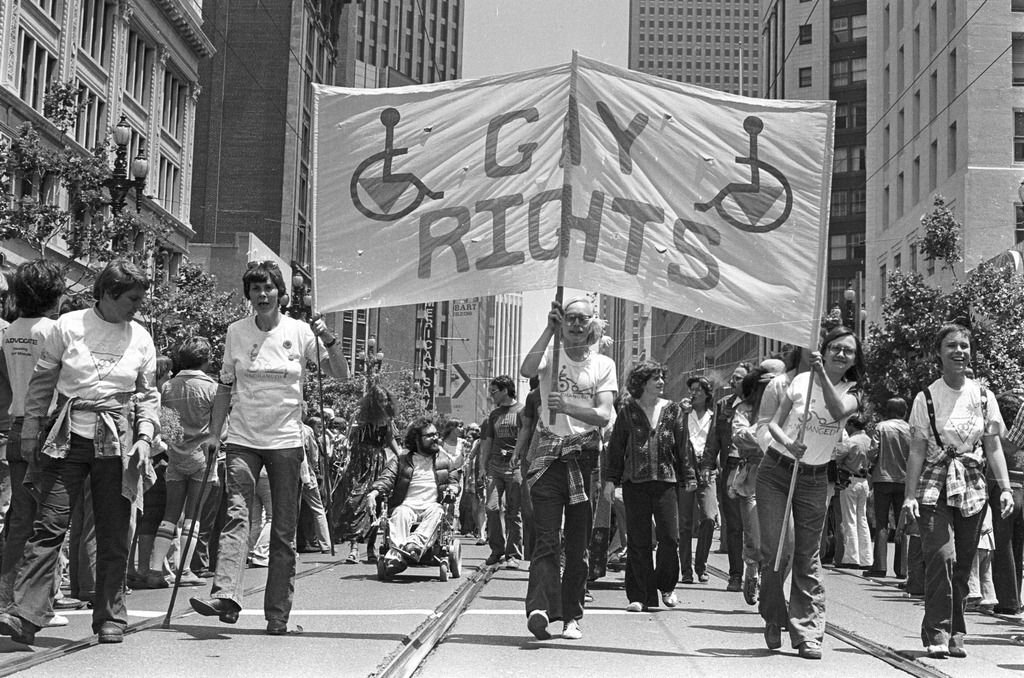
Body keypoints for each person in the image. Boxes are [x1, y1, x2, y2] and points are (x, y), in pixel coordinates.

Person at [0, 259, 158, 645]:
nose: (138, 306)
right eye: (133, 298)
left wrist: (144, 436)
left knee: (113, 529)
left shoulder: (141, 337)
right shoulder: (67, 327)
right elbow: (41, 385)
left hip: (117, 444)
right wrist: (32, 434)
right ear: (108, 293)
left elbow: (147, 395)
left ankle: (111, 617)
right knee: (49, 525)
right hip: (65, 440)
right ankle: (25, 614)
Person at [189, 260, 348, 636]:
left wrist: (329, 340)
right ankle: (226, 595)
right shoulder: (235, 332)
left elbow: (340, 374)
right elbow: (226, 385)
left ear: (281, 295)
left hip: (286, 442)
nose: (261, 295)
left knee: (283, 530)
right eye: (255, 290)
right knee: (237, 515)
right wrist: (215, 433)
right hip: (243, 439)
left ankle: (277, 613)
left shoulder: (301, 331)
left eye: (268, 289)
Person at [902, 323, 1014, 658]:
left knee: (964, 563)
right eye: (952, 345)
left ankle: (955, 631)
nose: (959, 352)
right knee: (941, 557)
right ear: (938, 353)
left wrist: (1005, 489)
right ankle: (937, 632)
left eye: (964, 346)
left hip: (973, 485)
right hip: (934, 486)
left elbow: (993, 446)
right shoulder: (926, 397)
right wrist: (909, 495)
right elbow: (917, 451)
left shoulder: (983, 395)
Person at [759, 326, 863, 660]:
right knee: (776, 550)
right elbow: (774, 423)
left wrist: (821, 372)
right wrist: (789, 441)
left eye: (848, 350)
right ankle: (774, 616)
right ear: (823, 349)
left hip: (816, 479)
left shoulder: (855, 390)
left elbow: (836, 412)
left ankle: (807, 632)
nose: (840, 354)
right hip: (776, 471)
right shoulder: (801, 381)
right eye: (835, 347)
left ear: (854, 360)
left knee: (808, 554)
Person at [520, 296, 617, 641]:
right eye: (570, 319)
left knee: (578, 545)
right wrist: (548, 329)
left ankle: (571, 615)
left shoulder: (603, 364)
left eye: (582, 319)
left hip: (584, 461)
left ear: (592, 324)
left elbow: (604, 415)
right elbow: (526, 371)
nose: (576, 324)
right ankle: (539, 608)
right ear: (562, 324)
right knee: (546, 539)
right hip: (548, 460)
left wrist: (570, 406)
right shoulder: (551, 355)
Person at [0, 261, 66, 618]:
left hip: (16, 421)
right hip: (48, 427)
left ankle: (6, 598)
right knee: (50, 520)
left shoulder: (9, 331)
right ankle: (35, 602)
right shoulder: (55, 331)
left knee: (20, 519)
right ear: (53, 295)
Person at [604, 360, 694, 612]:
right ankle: (640, 595)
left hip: (666, 482)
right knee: (638, 541)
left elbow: (682, 445)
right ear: (642, 383)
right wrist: (611, 481)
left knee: (669, 538)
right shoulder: (628, 411)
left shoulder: (673, 410)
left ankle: (666, 586)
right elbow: (616, 448)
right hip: (635, 483)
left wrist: (688, 477)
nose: (661, 382)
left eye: (662, 377)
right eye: (656, 378)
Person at [144, 338, 220, 588]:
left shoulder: (167, 388)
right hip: (202, 458)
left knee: (170, 514)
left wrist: (177, 447)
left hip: (175, 456)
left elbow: (168, 427)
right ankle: (183, 570)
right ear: (206, 360)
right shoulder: (213, 388)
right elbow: (221, 431)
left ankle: (155, 569)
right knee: (193, 517)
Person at [364, 416, 460, 576]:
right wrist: (373, 493)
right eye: (429, 436)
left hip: (432, 507)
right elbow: (386, 478)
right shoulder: (401, 460)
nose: (435, 438)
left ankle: (412, 546)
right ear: (416, 439)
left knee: (438, 511)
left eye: (436, 434)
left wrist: (452, 489)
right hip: (407, 506)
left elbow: (454, 481)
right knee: (399, 512)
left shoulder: (445, 461)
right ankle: (397, 556)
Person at [335, 385, 400, 563]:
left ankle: (371, 548)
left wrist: (401, 456)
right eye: (380, 400)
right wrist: (353, 430)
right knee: (356, 502)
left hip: (377, 462)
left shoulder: (387, 419)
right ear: (372, 401)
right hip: (359, 463)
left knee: (376, 505)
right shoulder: (360, 416)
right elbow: (349, 438)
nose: (383, 403)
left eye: (386, 400)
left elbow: (390, 440)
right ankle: (354, 547)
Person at [708, 361, 750, 591]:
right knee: (734, 526)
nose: (732, 382)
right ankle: (735, 575)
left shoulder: (761, 404)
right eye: (732, 377)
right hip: (731, 468)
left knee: (755, 525)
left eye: (738, 378)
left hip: (754, 468)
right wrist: (707, 464)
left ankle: (758, 574)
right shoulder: (723, 405)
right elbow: (714, 438)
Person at [479, 375, 525, 568]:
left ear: (505, 390)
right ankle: (497, 549)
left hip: (515, 467)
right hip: (495, 467)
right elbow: (488, 441)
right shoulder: (494, 414)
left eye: (494, 392)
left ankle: (513, 554)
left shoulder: (522, 411)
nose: (491, 396)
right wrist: (483, 465)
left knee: (514, 512)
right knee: (492, 508)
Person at [865, 397, 911, 578]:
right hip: (905, 480)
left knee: (881, 522)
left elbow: (873, 451)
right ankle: (902, 569)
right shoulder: (911, 429)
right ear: (904, 411)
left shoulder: (881, 427)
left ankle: (880, 566)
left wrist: (871, 465)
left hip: (882, 478)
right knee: (902, 524)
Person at [678, 376, 717, 585]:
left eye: (698, 390)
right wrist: (681, 414)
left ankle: (701, 564)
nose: (693, 393)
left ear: (706, 393)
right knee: (684, 523)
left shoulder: (713, 417)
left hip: (707, 471)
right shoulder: (684, 414)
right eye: (691, 389)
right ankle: (686, 570)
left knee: (709, 517)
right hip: (686, 471)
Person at [993, 391, 1024, 615]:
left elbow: (1008, 447)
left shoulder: (1004, 441)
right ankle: (1015, 599)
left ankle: (1008, 601)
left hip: (1006, 488)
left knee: (1003, 545)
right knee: (1018, 545)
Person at [834, 414, 872, 568]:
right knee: (862, 520)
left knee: (850, 519)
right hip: (864, 482)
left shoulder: (850, 442)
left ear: (851, 425)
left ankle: (851, 558)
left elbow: (836, 458)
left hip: (850, 480)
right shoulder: (869, 440)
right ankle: (866, 558)